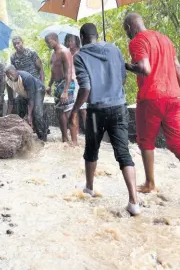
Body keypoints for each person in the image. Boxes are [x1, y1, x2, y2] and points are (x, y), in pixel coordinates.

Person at [123, 13, 180, 204]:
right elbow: (177, 67)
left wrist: (126, 65)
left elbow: (145, 68)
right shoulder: (165, 39)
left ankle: (150, 182)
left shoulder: (137, 41)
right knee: (177, 141)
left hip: (151, 98)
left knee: (146, 140)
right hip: (174, 97)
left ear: (128, 27)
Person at [69, 23, 140, 216]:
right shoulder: (114, 49)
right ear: (97, 35)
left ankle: (89, 188)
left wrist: (74, 111)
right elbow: (123, 78)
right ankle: (134, 201)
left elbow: (85, 88)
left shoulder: (80, 57)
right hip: (118, 107)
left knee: (91, 150)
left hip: (96, 112)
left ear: (82, 37)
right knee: (123, 154)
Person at [45, 33, 78, 145]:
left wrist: (65, 90)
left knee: (68, 112)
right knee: (60, 112)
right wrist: (49, 85)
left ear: (55, 40)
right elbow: (53, 71)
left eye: (48, 42)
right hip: (58, 84)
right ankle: (65, 138)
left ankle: (74, 141)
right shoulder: (53, 54)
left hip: (66, 84)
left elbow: (69, 72)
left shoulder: (65, 52)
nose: (48, 45)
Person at [6, 66, 48, 141]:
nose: (10, 76)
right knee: (17, 110)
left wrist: (29, 115)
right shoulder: (8, 81)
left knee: (36, 113)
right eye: (8, 75)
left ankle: (42, 138)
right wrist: (8, 116)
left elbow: (31, 99)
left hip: (38, 89)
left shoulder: (26, 78)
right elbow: (10, 99)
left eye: (11, 74)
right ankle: (20, 135)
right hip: (24, 92)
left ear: (16, 71)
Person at [65, 34, 87, 131]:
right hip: (70, 83)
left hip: (81, 82)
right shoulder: (66, 53)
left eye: (72, 41)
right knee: (73, 109)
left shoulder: (82, 52)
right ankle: (76, 133)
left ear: (76, 41)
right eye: (68, 41)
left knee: (83, 109)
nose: (70, 43)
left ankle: (88, 132)